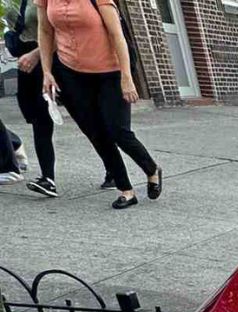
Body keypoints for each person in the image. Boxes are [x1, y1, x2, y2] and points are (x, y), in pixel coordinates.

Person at [36, 0, 161, 209]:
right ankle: (126, 190)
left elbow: (116, 35)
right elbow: (45, 31)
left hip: (110, 72)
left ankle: (151, 169)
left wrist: (126, 77)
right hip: (71, 73)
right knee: (96, 133)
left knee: (118, 130)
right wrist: (46, 71)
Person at [5, 0, 57, 196]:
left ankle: (112, 170)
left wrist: (37, 54)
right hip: (27, 63)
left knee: (84, 117)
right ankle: (48, 178)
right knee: (39, 120)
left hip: (53, 60)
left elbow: (63, 32)